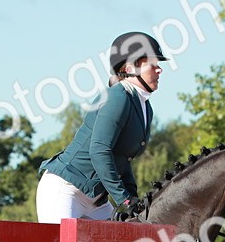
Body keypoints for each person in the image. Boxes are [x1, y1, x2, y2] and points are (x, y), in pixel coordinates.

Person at [37, 31, 167, 224]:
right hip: (66, 189)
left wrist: (133, 196)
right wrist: (124, 198)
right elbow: (99, 150)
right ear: (130, 67)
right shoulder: (117, 97)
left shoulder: (144, 107)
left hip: (96, 200)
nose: (159, 70)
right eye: (152, 64)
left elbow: (124, 160)